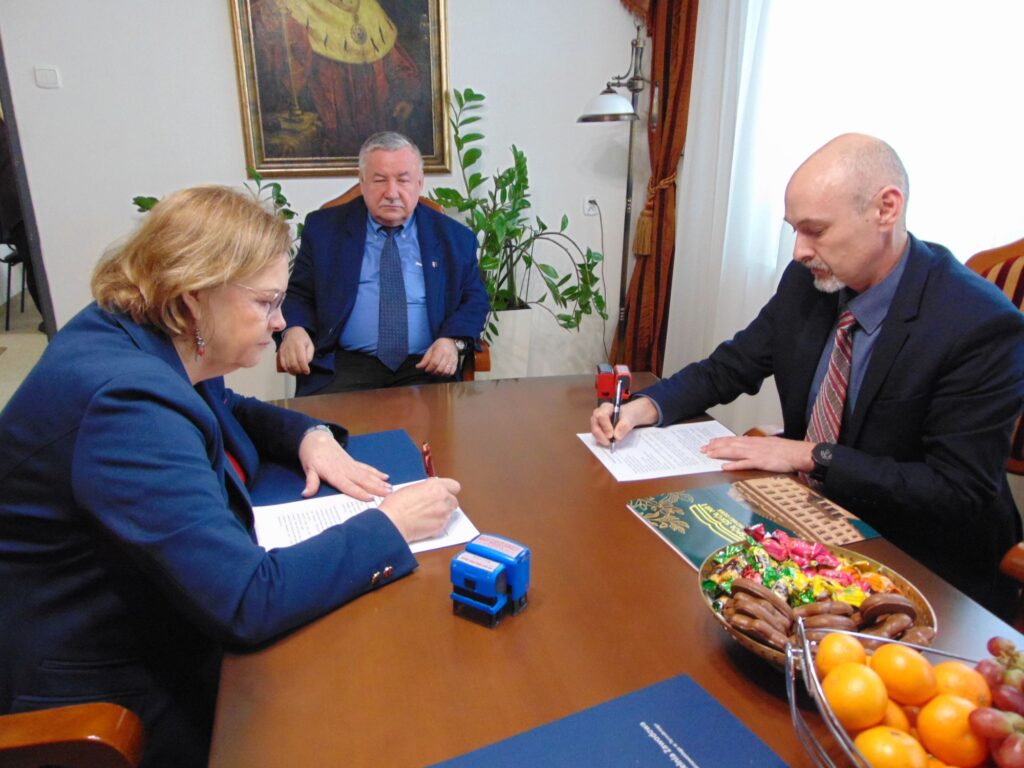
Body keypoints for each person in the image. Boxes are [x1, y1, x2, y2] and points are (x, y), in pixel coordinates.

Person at [0, 186, 461, 768]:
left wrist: (309, 436)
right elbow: (246, 600)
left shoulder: (146, 331)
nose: (281, 321)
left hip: (150, 608)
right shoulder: (125, 405)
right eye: (267, 302)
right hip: (100, 688)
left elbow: (226, 407)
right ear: (194, 298)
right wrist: (390, 524)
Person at [592, 133, 1024, 619]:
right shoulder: (809, 282)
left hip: (925, 565)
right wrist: (644, 406)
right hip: (811, 523)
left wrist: (809, 454)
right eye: (794, 230)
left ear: (886, 209)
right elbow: (731, 365)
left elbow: (956, 491)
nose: (799, 251)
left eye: (815, 230)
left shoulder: (977, 323)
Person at [278, 131, 488, 395]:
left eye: (403, 180)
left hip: (426, 366)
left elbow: (474, 300)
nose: (391, 192)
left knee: (435, 421)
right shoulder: (324, 230)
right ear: (362, 181)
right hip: (343, 366)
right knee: (326, 423)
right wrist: (294, 330)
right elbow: (299, 294)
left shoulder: (455, 238)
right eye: (379, 180)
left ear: (419, 182)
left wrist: (452, 341)